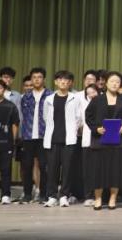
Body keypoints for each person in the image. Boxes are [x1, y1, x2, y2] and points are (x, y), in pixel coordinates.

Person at [85, 71, 122, 210]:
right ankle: (98, 198)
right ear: (106, 83)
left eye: (117, 82)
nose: (114, 84)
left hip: (118, 141)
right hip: (100, 140)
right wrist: (96, 129)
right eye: (112, 81)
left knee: (115, 170)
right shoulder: (97, 100)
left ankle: (113, 198)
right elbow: (88, 117)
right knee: (98, 171)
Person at [43, 70, 83, 208]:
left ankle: (64, 195)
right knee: (52, 169)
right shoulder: (49, 99)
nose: (63, 82)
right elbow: (45, 117)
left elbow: (79, 118)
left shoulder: (75, 98)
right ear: (56, 82)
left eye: (66, 80)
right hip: (52, 139)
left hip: (69, 139)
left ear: (70, 83)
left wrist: (73, 129)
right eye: (60, 79)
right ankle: (52, 196)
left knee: (67, 169)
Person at [19, 67, 52, 204]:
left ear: (44, 79)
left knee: (44, 166)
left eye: (39, 77)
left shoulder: (50, 95)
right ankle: (27, 194)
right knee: (27, 166)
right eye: (34, 77)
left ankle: (43, 194)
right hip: (28, 136)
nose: (37, 80)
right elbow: (23, 115)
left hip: (44, 136)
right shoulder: (25, 96)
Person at [79, 84, 99, 206]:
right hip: (87, 140)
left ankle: (99, 196)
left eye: (93, 92)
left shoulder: (103, 102)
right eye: (88, 93)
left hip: (100, 141)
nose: (91, 95)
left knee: (98, 170)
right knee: (87, 170)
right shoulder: (83, 104)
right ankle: (88, 196)